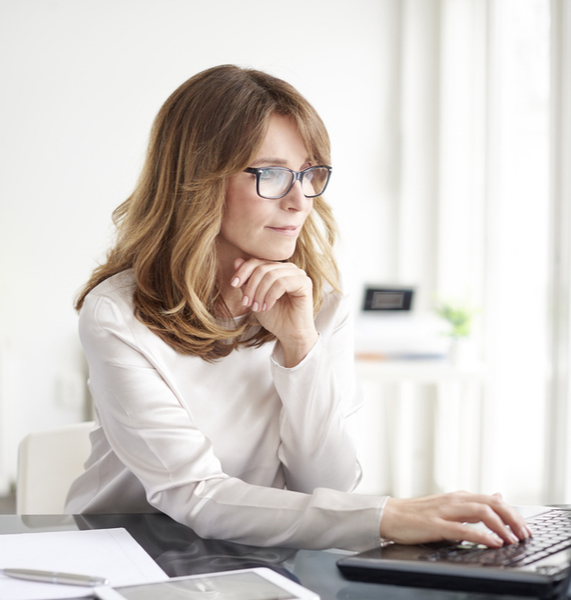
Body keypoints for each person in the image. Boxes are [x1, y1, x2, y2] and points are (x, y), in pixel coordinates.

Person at [66, 64, 530, 551]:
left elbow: (326, 487)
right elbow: (195, 495)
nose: (299, 200)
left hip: (252, 552)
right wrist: (389, 514)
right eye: (270, 174)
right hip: (123, 550)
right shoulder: (117, 314)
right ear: (198, 180)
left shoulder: (320, 301)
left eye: (309, 174)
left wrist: (301, 347)